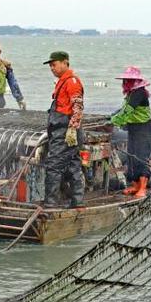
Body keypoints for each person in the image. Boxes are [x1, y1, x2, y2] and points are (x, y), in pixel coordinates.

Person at [42, 51, 85, 208]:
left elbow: (78, 106)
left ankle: (50, 204)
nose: (52, 68)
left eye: (54, 64)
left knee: (53, 165)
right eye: (51, 66)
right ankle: (77, 202)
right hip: (62, 130)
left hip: (66, 132)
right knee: (73, 163)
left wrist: (72, 129)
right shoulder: (63, 81)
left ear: (65, 63)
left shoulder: (71, 82)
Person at [110, 66, 151, 198]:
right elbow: (122, 110)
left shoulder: (139, 93)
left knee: (141, 156)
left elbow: (127, 111)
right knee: (131, 155)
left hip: (143, 128)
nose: (125, 83)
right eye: (125, 80)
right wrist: (112, 116)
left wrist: (113, 121)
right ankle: (135, 185)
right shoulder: (130, 94)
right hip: (133, 127)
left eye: (128, 80)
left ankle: (143, 188)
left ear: (135, 80)